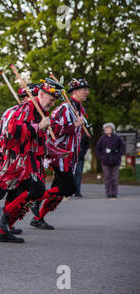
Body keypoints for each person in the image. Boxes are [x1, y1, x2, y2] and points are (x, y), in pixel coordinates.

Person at [0, 78, 64, 243]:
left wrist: (56, 153)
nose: (52, 103)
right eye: (50, 99)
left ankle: (3, 227)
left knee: (30, 191)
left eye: (54, 101)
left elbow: (39, 139)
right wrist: (38, 127)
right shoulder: (26, 108)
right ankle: (3, 216)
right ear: (42, 94)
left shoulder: (42, 111)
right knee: (36, 190)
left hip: (30, 160)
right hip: (16, 159)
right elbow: (11, 130)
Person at [30, 77, 89, 230]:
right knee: (69, 188)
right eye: (84, 90)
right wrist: (75, 124)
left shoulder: (80, 110)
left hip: (71, 157)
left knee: (59, 192)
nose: (87, 92)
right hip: (60, 156)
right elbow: (52, 129)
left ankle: (38, 218)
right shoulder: (64, 108)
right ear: (74, 92)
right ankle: (34, 199)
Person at [96, 123, 125, 198]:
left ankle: (114, 193)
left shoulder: (117, 138)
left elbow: (122, 148)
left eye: (108, 128)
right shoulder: (102, 138)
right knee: (107, 178)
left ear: (112, 129)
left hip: (115, 162)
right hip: (105, 162)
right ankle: (108, 192)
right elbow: (97, 149)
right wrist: (102, 157)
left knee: (114, 178)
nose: (106, 129)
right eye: (105, 128)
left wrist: (118, 156)